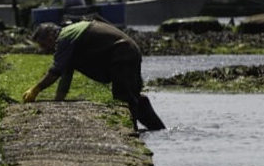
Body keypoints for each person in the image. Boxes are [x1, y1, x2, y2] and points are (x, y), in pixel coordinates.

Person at [22, 20, 165, 131]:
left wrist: (36, 89)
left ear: (50, 36)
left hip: (122, 53)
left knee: (124, 98)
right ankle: (159, 131)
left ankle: (131, 132)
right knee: (134, 96)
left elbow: (56, 71)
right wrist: (58, 102)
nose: (44, 49)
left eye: (43, 44)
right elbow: (66, 73)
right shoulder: (71, 37)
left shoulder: (65, 38)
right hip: (128, 50)